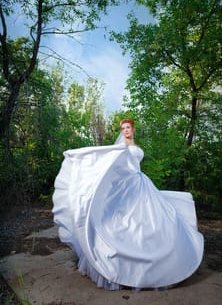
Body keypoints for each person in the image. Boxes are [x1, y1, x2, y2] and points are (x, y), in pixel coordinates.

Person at [52, 118, 204, 290]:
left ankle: (161, 257)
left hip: (141, 182)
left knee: (157, 217)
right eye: (123, 128)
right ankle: (125, 264)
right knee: (127, 220)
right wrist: (81, 156)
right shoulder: (121, 146)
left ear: (133, 129)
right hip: (128, 184)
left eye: (128, 128)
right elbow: (109, 161)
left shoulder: (134, 144)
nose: (125, 131)